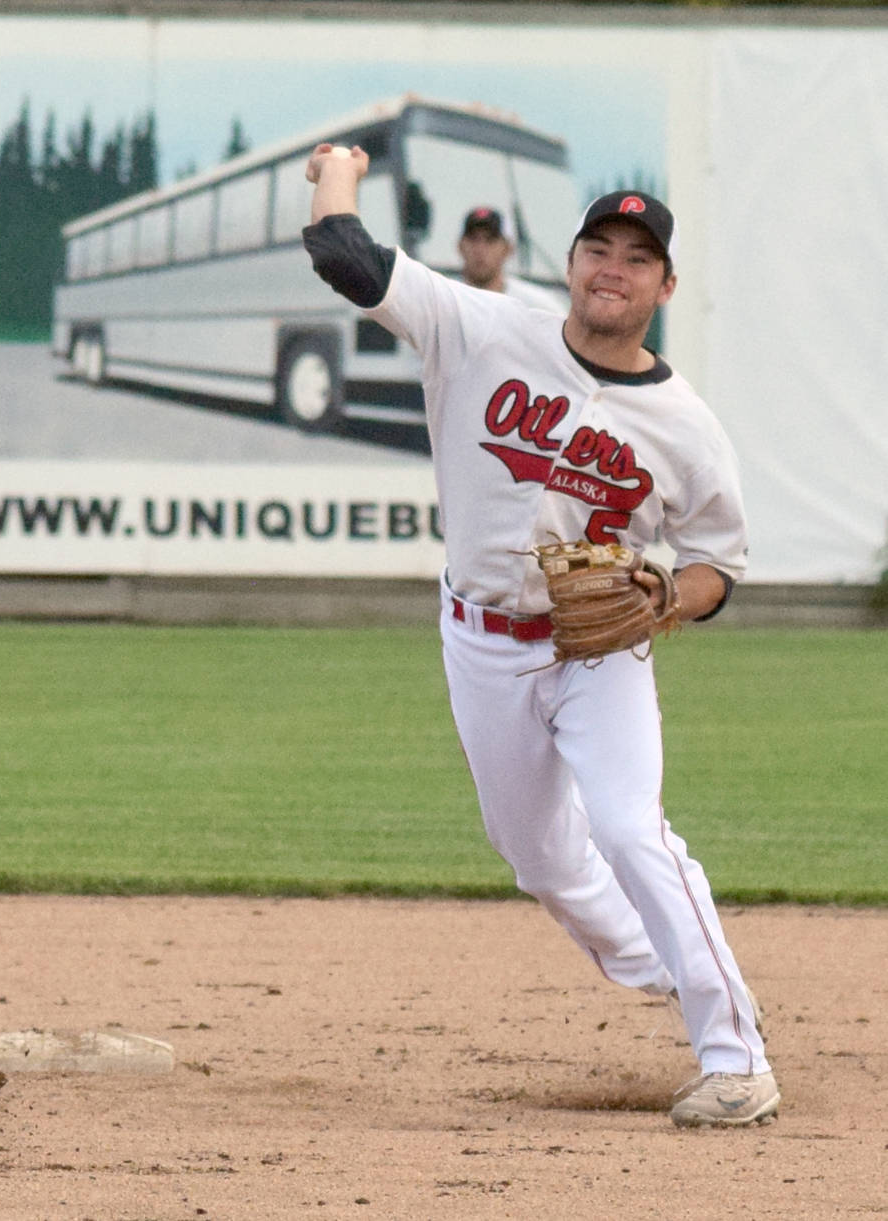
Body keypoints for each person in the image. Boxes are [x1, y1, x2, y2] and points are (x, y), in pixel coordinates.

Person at [302, 144, 778, 1128]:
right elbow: (345, 255)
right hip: (479, 638)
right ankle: (673, 962)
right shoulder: (480, 328)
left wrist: (663, 602)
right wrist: (336, 169)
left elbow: (717, 568)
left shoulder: (687, 430)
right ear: (567, 262)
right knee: (538, 857)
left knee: (627, 829)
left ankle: (735, 1056)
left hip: (601, 651)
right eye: (597, 245)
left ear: (665, 284)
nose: (613, 264)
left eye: (636, 255)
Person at [457, 206, 568, 312]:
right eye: (473, 239)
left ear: (508, 249)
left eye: (490, 240)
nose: (480, 249)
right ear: (460, 247)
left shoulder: (537, 307)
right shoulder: (446, 303)